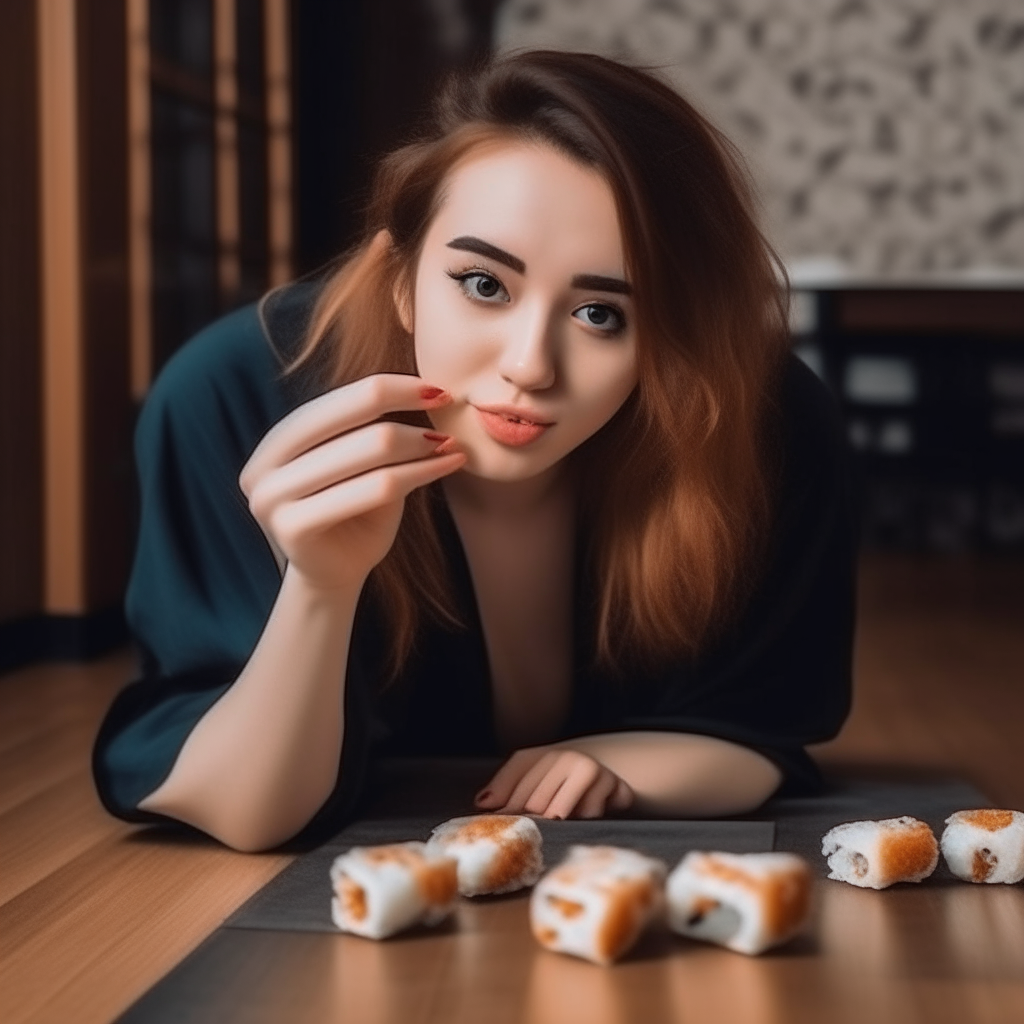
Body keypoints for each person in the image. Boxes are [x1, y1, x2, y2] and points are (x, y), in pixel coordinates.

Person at [92, 50, 856, 852]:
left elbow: (757, 726)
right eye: (485, 285)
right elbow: (252, 811)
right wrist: (320, 587)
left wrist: (629, 764)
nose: (530, 365)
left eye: (602, 314)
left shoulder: (762, 418)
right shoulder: (232, 395)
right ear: (400, 279)